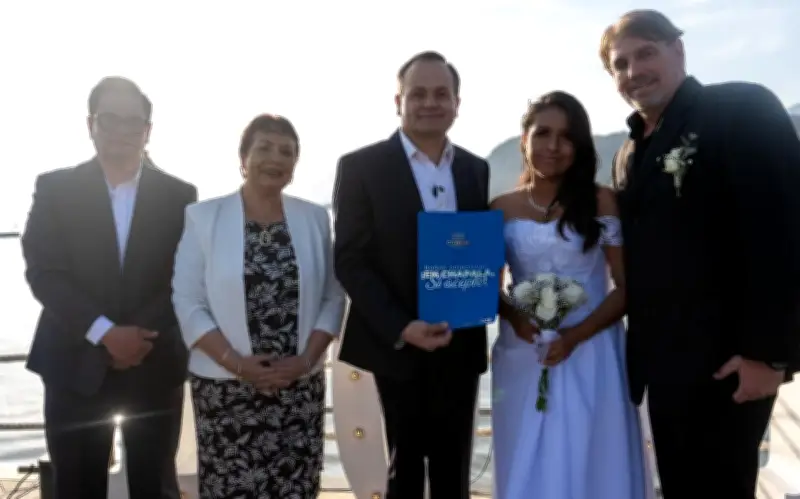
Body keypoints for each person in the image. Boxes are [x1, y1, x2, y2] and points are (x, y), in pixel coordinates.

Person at [602, 9, 800, 498]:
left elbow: (784, 230)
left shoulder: (741, 109)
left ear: (679, 50)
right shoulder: (627, 152)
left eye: (646, 53)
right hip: (661, 367)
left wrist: (770, 355)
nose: (633, 71)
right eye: (620, 64)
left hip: (728, 365)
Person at [21, 76, 197, 499]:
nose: (121, 130)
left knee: (155, 486)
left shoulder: (179, 195)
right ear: (90, 124)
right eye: (109, 119)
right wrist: (105, 333)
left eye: (133, 122)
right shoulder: (55, 189)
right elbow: (44, 272)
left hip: (153, 360)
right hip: (73, 360)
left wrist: (134, 337)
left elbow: (186, 275)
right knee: (76, 487)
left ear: (148, 130)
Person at [332, 51, 489, 499]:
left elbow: (475, 248)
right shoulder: (361, 167)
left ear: (457, 103)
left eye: (441, 94)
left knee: (454, 469)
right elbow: (350, 260)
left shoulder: (474, 168)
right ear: (398, 101)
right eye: (418, 94)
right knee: (405, 467)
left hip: (460, 341)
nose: (430, 103)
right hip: (397, 342)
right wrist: (402, 326)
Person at [172, 114, 345, 499]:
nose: (275, 158)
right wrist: (237, 364)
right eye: (264, 148)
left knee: (296, 487)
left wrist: (305, 362)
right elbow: (188, 301)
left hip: (297, 387)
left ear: (295, 165)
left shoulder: (315, 219)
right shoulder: (203, 218)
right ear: (243, 158)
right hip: (227, 390)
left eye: (286, 151)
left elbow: (333, 296)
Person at [490, 91, 653, 499]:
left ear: (579, 146)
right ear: (524, 139)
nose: (553, 146)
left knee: (591, 454)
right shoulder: (500, 208)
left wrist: (575, 336)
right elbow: (487, 286)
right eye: (542, 133)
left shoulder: (600, 201)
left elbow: (626, 286)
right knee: (527, 455)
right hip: (524, 350)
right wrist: (518, 319)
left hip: (592, 348)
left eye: (566, 137)